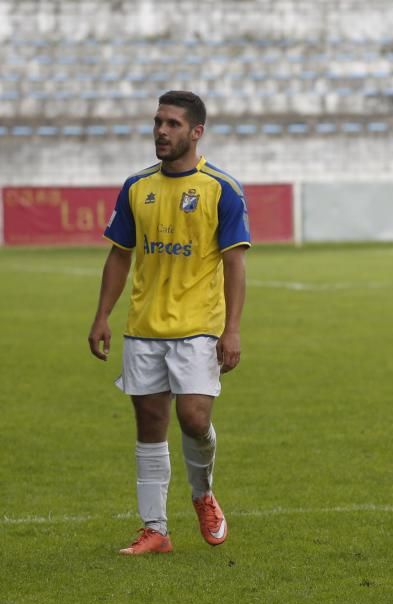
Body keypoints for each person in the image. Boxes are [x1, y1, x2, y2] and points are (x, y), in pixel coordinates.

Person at [87, 90, 250, 555]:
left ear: (196, 132)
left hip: (200, 325)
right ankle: (155, 529)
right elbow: (120, 255)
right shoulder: (137, 186)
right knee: (150, 424)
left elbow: (236, 263)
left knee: (194, 418)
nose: (161, 130)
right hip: (144, 327)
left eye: (173, 124)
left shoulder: (221, 188)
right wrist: (102, 315)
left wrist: (233, 328)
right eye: (158, 121)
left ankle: (202, 495)